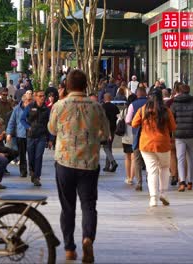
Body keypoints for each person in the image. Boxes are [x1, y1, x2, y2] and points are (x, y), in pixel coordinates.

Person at [48, 69, 110, 263]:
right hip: (89, 163)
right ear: (85, 85)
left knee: (67, 207)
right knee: (89, 205)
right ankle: (87, 238)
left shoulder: (59, 105)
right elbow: (106, 133)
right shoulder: (96, 106)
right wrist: (92, 139)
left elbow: (51, 129)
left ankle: (69, 249)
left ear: (67, 86)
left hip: (65, 162)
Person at [132, 89, 176, 207]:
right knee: (164, 168)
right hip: (163, 143)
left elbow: (134, 124)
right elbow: (173, 126)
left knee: (151, 170)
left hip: (146, 144)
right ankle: (163, 193)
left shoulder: (143, 110)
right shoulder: (166, 110)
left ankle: (153, 198)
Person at [170, 84, 193, 192]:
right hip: (190, 134)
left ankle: (182, 183)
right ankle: (190, 182)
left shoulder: (174, 104)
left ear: (179, 91)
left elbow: (171, 121)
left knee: (180, 158)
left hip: (179, 135)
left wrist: (171, 133)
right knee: (190, 158)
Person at [20, 90, 51, 187]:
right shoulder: (30, 106)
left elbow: (50, 124)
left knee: (38, 156)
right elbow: (22, 119)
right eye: (40, 96)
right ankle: (32, 171)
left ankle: (37, 177)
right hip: (31, 136)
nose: (42, 97)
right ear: (36, 97)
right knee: (31, 156)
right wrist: (28, 127)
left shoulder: (47, 109)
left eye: (43, 96)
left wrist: (50, 139)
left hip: (41, 136)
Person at [125, 87, 148, 191]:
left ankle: (139, 182)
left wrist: (135, 125)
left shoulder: (132, 105)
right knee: (150, 159)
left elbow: (128, 120)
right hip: (150, 135)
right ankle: (150, 178)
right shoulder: (151, 104)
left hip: (137, 134)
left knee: (137, 159)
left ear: (137, 94)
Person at [6, 93, 33, 178]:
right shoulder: (17, 109)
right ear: (24, 100)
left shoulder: (34, 108)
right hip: (21, 135)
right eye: (29, 100)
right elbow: (12, 121)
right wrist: (9, 133)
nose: (30, 102)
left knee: (32, 154)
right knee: (22, 154)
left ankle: (32, 171)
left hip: (32, 135)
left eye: (31, 100)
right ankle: (23, 171)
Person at [101, 93, 119, 172]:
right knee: (109, 146)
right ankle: (107, 165)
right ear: (110, 98)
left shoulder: (102, 107)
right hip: (113, 128)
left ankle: (112, 162)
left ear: (104, 99)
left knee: (106, 147)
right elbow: (117, 116)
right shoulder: (114, 107)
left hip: (104, 129)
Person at [121, 94, 137, 185]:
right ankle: (131, 177)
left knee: (127, 157)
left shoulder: (124, 111)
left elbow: (118, 121)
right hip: (134, 136)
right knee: (134, 158)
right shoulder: (137, 109)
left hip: (126, 137)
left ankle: (128, 177)